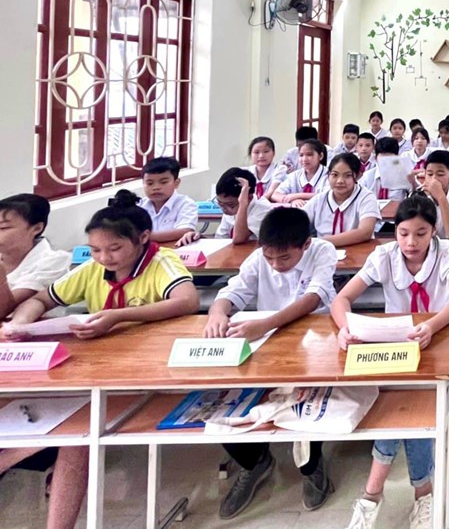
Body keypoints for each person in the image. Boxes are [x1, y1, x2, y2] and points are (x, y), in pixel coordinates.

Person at [3, 192, 199, 529]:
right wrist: (20, 325)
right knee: (72, 431)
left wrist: (117, 316)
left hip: (150, 373)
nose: (104, 258)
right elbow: (42, 299)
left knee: (77, 431)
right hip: (96, 370)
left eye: (114, 249)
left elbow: (187, 301)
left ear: (142, 239)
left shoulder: (161, 261)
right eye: (95, 250)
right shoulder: (93, 269)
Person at [332, 194, 449, 529]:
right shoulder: (384, 255)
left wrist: (431, 325)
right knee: (408, 410)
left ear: (433, 231)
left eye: (421, 234)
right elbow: (342, 299)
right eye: (404, 233)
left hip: (435, 344)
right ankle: (422, 493)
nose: (411, 243)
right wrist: (345, 328)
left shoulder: (446, 253)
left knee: (403, 408)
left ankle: (372, 494)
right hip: (393, 347)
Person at [204, 206, 338, 517]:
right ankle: (254, 461)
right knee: (220, 398)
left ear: (305, 244)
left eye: (285, 258)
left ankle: (311, 467)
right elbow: (233, 291)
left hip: (314, 335)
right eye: (269, 258)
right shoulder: (258, 258)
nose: (276, 264)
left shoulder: (322, 251)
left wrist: (266, 324)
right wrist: (216, 313)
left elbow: (313, 299)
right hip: (265, 339)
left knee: (307, 397)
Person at [0, 194, 68, 320]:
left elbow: (3, 310)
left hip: (33, 329)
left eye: (3, 228)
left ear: (37, 228)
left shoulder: (54, 262)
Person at [179, 168, 270, 246]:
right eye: (220, 203)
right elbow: (220, 240)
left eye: (230, 205)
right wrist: (199, 238)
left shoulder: (263, 209)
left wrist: (242, 204)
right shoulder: (228, 210)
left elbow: (239, 239)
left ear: (249, 198)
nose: (224, 209)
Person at [305, 153, 380, 246]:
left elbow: (365, 232)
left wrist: (319, 242)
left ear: (358, 176)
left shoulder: (366, 198)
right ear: (328, 175)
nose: (340, 181)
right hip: (322, 251)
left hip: (358, 251)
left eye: (347, 175)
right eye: (335, 175)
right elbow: (297, 223)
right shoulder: (320, 199)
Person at [139, 156, 198, 243]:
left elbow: (185, 231)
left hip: (174, 249)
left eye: (163, 182)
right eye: (150, 183)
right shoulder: (139, 205)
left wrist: (143, 237)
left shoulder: (186, 204)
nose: (156, 187)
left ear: (176, 183)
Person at [270, 139, 328, 207]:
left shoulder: (329, 175)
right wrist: (293, 200)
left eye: (309, 155)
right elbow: (275, 195)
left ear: (320, 156)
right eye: (301, 155)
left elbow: (328, 195)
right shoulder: (294, 176)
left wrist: (296, 196)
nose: (304, 159)